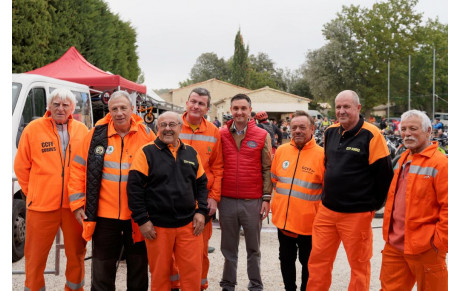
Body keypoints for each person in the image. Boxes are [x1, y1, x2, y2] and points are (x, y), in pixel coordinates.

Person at [68, 91, 155, 291]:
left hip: (137, 216)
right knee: (102, 272)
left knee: (138, 271)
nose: (119, 113)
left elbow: (158, 173)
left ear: (132, 110)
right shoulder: (95, 135)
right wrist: (77, 204)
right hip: (104, 217)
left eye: (123, 108)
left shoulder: (147, 135)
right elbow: (78, 169)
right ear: (109, 112)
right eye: (114, 109)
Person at [307, 90, 393, 290]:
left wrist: (370, 206)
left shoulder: (372, 135)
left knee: (359, 266)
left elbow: (385, 176)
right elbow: (328, 165)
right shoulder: (330, 132)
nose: (341, 111)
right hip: (327, 212)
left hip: (357, 215)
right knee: (318, 262)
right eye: (338, 107)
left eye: (346, 106)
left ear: (358, 108)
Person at [14, 88, 89, 291]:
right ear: (49, 106)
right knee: (35, 257)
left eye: (65, 105)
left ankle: (74, 289)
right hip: (41, 207)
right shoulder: (33, 129)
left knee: (76, 255)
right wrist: (35, 193)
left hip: (74, 206)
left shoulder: (83, 131)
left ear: (72, 108)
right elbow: (21, 166)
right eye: (56, 104)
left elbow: (89, 167)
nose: (60, 108)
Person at [127, 111, 208, 291]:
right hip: (157, 228)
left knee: (192, 274)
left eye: (172, 125)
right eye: (163, 125)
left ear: (180, 128)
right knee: (160, 276)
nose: (168, 129)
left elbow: (202, 184)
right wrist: (142, 220)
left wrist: (201, 212)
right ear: (157, 128)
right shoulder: (146, 152)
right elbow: (134, 189)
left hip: (189, 226)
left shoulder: (191, 152)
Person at [380, 110, 448, 290]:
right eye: (403, 129)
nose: (407, 133)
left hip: (426, 247)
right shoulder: (404, 157)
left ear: (428, 131)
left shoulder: (441, 163)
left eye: (413, 128)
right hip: (394, 246)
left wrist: (438, 242)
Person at [219, 94, 273, 291]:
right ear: (230, 110)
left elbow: (267, 168)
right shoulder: (221, 134)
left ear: (250, 110)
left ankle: (256, 285)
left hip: (253, 200)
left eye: (243, 108)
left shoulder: (262, 135)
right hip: (227, 200)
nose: (239, 112)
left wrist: (266, 198)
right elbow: (218, 166)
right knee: (228, 248)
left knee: (253, 248)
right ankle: (227, 284)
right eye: (235, 108)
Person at [172, 87, 224, 290]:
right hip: (174, 198)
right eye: (193, 101)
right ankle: (174, 284)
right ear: (186, 103)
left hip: (202, 201)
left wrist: (214, 198)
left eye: (201, 103)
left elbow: (218, 167)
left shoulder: (213, 132)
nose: (196, 106)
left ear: (207, 108)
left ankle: (199, 285)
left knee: (200, 250)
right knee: (173, 248)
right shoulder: (171, 125)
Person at [270, 110, 325, 291]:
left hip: (309, 224)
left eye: (302, 127)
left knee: (308, 263)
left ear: (312, 129)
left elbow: (326, 191)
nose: (298, 131)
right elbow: (275, 180)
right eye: (294, 127)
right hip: (284, 221)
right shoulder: (281, 151)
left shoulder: (322, 155)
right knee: (286, 259)